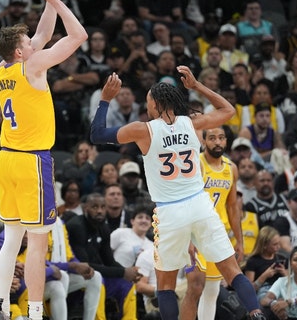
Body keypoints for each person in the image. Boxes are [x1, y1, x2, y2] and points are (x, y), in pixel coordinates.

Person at [90, 68, 266, 320]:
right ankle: (256, 312)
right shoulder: (192, 123)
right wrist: (197, 86)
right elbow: (229, 110)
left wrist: (105, 99)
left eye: (149, 100)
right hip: (200, 205)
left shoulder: (143, 130)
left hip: (170, 211)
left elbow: (96, 134)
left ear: (157, 104)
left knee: (165, 284)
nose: (146, 104)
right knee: (232, 270)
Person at [0, 0, 88, 320]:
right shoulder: (33, 66)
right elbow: (78, 36)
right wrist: (60, 5)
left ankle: (1, 305)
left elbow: (43, 36)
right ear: (20, 52)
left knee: (12, 237)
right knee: (38, 241)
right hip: (32, 161)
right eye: (26, 42)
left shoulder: (2, 69)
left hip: (6, 160)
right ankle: (33, 312)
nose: (33, 43)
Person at [183, 126, 243, 320]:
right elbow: (186, 202)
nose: (217, 142)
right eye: (212, 138)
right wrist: (188, 238)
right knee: (195, 288)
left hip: (218, 233)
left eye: (221, 138)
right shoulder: (196, 164)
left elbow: (233, 207)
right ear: (203, 141)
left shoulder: (231, 168)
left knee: (212, 289)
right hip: (196, 232)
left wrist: (239, 241)